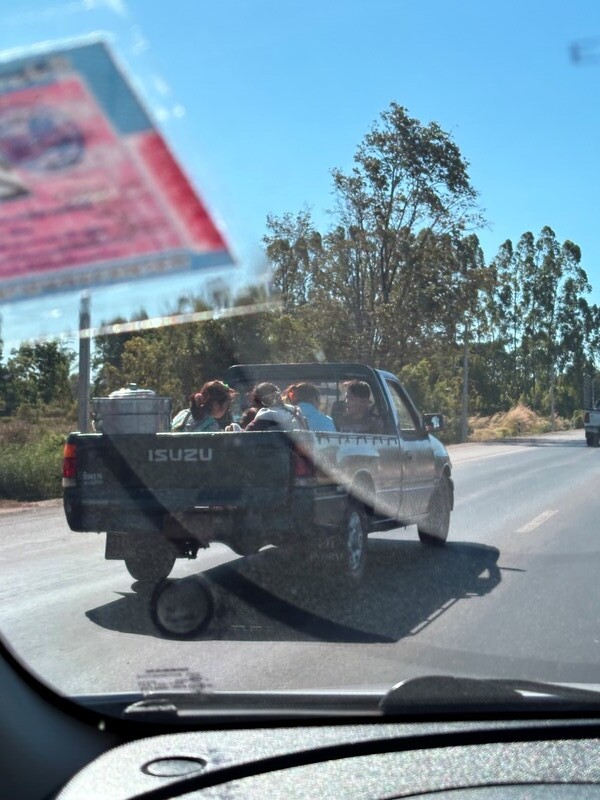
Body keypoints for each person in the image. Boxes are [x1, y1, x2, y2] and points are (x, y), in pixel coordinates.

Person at [171, 380, 236, 432]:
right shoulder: (211, 426)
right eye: (227, 406)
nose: (227, 410)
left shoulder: (183, 413)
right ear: (215, 405)